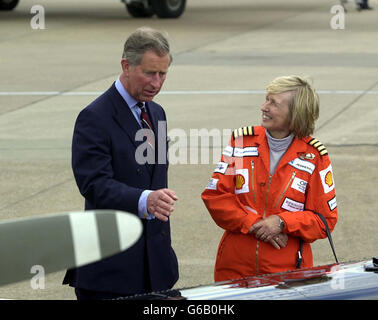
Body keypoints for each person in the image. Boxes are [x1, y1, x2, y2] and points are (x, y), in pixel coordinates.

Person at [63, 27, 179, 299]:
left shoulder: (157, 113)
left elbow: (153, 179)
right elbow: (94, 185)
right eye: (150, 73)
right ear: (126, 66)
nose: (157, 82)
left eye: (163, 74)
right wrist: (144, 200)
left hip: (155, 269)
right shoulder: (94, 117)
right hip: (111, 271)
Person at [201, 76, 338, 282]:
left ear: (295, 113)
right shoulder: (241, 142)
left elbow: (324, 220)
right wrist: (256, 224)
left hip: (288, 274)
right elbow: (215, 196)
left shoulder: (315, 156)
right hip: (234, 269)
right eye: (267, 99)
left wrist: (282, 222)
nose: (263, 107)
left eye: (273, 103)